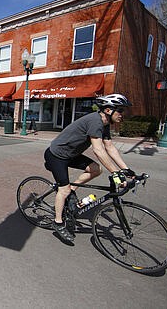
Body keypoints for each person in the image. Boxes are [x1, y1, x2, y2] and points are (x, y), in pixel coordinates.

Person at [43, 94, 136, 243]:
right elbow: (98, 150)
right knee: (63, 190)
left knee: (95, 169)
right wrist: (116, 174)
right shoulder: (95, 121)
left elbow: (110, 147)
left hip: (71, 154)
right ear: (107, 110)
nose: (122, 114)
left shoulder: (105, 124)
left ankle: (71, 191)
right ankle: (58, 222)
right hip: (57, 155)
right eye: (120, 110)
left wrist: (126, 170)